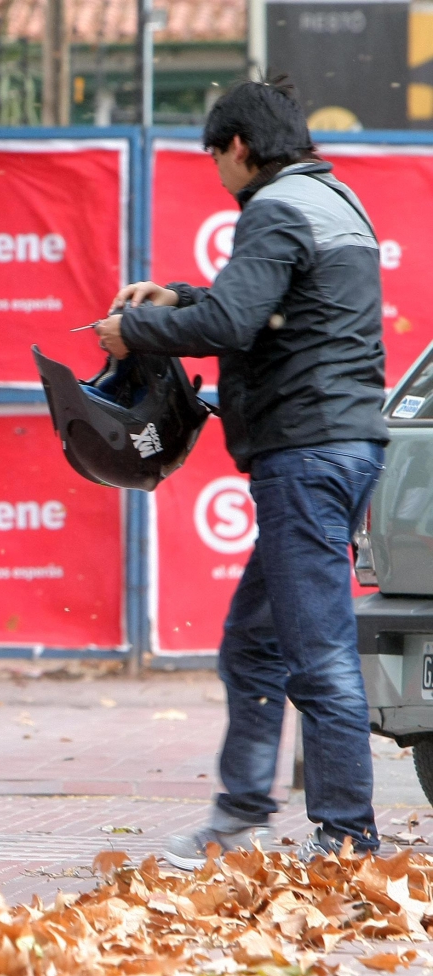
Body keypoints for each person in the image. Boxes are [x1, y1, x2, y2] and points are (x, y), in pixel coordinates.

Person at [95, 79, 388, 867]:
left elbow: (229, 323)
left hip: (306, 455)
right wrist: (178, 296)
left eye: (214, 159)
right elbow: (263, 314)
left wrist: (136, 329)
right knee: (253, 644)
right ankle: (240, 815)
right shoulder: (336, 201)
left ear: (238, 148)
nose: (217, 177)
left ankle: (346, 839)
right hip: (343, 446)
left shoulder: (274, 208)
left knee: (317, 653)